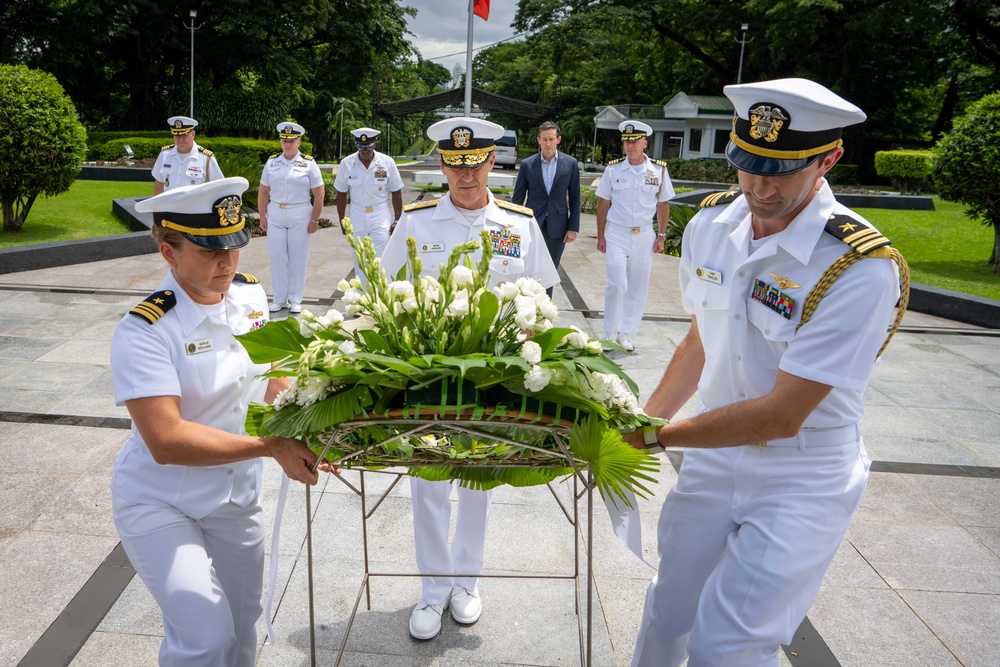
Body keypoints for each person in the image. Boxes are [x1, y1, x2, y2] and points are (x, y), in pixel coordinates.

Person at [629, 78, 906, 667]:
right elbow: (703, 337)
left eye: (781, 171)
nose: (759, 185)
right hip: (711, 454)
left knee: (727, 645)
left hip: (800, 474)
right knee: (668, 611)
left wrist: (654, 438)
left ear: (829, 159)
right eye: (748, 165)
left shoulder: (858, 266)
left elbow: (782, 416)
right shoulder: (712, 224)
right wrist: (640, 420)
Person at [111, 177, 328, 667]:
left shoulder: (248, 296)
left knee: (243, 622)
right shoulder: (145, 331)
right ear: (169, 251)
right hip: (161, 499)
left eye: (233, 246)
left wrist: (320, 426)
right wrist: (271, 446)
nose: (227, 262)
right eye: (210, 251)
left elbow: (271, 378)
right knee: (205, 636)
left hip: (233, 496)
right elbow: (166, 440)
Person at [381, 117, 559, 641]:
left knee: (478, 482)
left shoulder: (519, 224)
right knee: (427, 483)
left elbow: (542, 301)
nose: (466, 175)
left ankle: (467, 583)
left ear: (491, 163)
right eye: (455, 165)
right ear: (442, 165)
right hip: (431, 379)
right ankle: (433, 589)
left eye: (475, 163)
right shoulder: (416, 222)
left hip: (492, 382)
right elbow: (389, 292)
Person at [595, 120, 675, 351]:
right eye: (627, 141)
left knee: (638, 286)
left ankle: (627, 333)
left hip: (644, 235)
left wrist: (661, 235)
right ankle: (609, 332)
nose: (630, 145)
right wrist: (601, 236)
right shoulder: (613, 169)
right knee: (617, 284)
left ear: (645, 143)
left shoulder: (658, 170)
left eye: (635, 141)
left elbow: (663, 203)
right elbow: (603, 203)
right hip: (617, 233)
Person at [258, 122, 325, 314]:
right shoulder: (272, 162)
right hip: (276, 213)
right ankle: (279, 299)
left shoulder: (309, 163)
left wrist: (314, 220)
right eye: (284, 140)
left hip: (300, 213)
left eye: (292, 141)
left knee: (298, 258)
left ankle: (295, 298)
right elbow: (263, 191)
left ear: (299, 141)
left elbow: (319, 193)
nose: (288, 144)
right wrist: (262, 216)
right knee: (277, 257)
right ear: (280, 141)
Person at [511, 120, 581, 296]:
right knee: (528, 270)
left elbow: (575, 197)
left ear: (558, 139)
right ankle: (525, 308)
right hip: (532, 225)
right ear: (538, 140)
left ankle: (544, 311)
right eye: (544, 139)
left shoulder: (570, 164)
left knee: (549, 272)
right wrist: (512, 225)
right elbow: (518, 198)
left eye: (551, 139)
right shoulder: (528, 164)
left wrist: (573, 228)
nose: (548, 143)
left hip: (557, 227)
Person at [334, 126, 404, 280]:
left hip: (380, 213)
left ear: (374, 144)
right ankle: (362, 296)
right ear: (356, 145)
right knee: (359, 255)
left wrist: (398, 219)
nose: (364, 151)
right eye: (361, 147)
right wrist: (342, 220)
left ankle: (380, 295)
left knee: (381, 255)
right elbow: (341, 193)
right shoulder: (347, 163)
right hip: (357, 212)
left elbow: (396, 191)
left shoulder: (387, 162)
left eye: (368, 147)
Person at [151, 116, 224, 195]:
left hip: (194, 207)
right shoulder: (165, 155)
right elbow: (159, 182)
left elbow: (218, 187)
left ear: (193, 134)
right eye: (177, 135)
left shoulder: (206, 158)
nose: (180, 139)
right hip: (170, 206)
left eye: (184, 135)